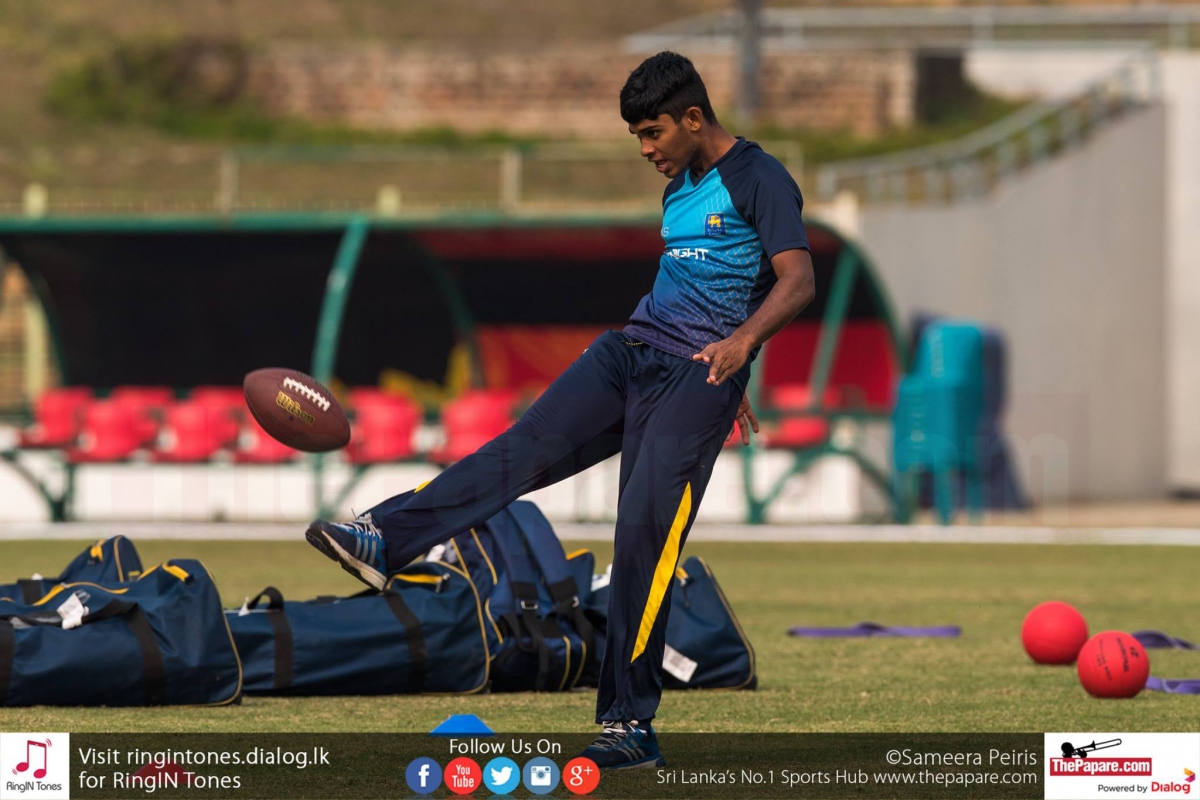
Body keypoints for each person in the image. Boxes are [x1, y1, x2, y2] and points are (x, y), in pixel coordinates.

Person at [304, 51, 815, 769]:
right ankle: (384, 540)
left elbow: (797, 280)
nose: (645, 150)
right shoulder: (679, 188)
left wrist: (740, 349)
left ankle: (629, 727)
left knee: (642, 537)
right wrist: (737, 343)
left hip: (693, 382)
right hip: (630, 352)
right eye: (637, 137)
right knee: (517, 451)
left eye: (653, 133)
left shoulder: (760, 177)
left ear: (694, 118)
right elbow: (710, 284)